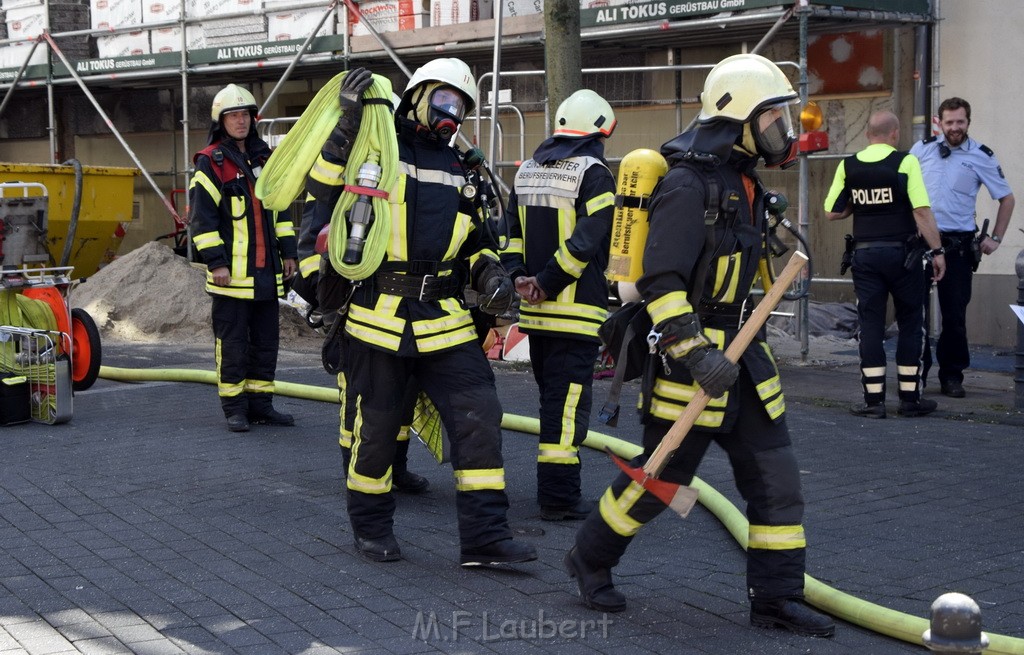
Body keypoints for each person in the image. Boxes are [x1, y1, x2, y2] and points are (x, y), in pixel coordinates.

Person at [565, 53, 835, 638]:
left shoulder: (747, 184)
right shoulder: (688, 185)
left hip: (747, 357)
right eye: (771, 119)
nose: (780, 132)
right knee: (661, 479)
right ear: (737, 119)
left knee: (777, 480)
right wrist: (694, 352)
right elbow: (660, 280)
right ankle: (589, 559)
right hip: (693, 363)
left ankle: (776, 597)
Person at [303, 61, 536, 566]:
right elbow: (320, 191)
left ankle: (485, 539)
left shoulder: (461, 168)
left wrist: (490, 275)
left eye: (462, 107)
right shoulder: (376, 146)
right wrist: (344, 128)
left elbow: (477, 241)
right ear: (418, 96)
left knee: (480, 420)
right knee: (377, 432)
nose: (453, 113)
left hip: (446, 319)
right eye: (446, 100)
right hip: (377, 317)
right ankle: (370, 527)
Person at [500, 89, 616, 521]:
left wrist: (519, 279)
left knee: (554, 403)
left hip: (536, 314)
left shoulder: (527, 171)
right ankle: (560, 498)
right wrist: (547, 283)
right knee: (566, 411)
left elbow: (509, 236)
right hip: (575, 313)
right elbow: (587, 241)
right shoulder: (595, 173)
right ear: (599, 132)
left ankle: (556, 492)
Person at [293, 198, 429, 493]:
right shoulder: (344, 171)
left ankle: (397, 468)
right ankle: (355, 471)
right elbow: (313, 239)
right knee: (358, 397)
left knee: (403, 396)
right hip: (350, 304)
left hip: (402, 309)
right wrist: (327, 297)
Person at [823, 110, 946, 419]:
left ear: (868, 134)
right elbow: (921, 211)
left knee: (871, 326)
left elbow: (832, 212)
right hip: (903, 257)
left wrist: (860, 201)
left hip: (865, 257)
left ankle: (873, 401)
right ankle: (909, 399)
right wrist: (938, 250)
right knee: (909, 323)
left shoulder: (848, 165)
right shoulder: (905, 162)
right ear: (895, 134)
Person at [190, 84, 298, 433]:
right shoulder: (211, 162)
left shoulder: (266, 160)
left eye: (245, 114)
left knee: (266, 344)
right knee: (233, 345)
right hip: (231, 277)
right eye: (233, 115)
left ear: (254, 118)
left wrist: (291, 254)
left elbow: (280, 212)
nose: (240, 121)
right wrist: (216, 262)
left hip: (266, 275)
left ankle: (261, 405)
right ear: (221, 121)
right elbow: (202, 221)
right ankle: (234, 407)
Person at [910, 97, 1015, 398]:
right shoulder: (921, 150)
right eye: (949, 122)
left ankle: (952, 376)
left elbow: (1006, 198)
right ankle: (916, 373)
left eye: (960, 122)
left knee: (954, 316)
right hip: (920, 243)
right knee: (915, 313)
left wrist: (995, 238)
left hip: (956, 246)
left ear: (968, 122)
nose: (955, 128)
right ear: (939, 122)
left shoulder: (981, 155)